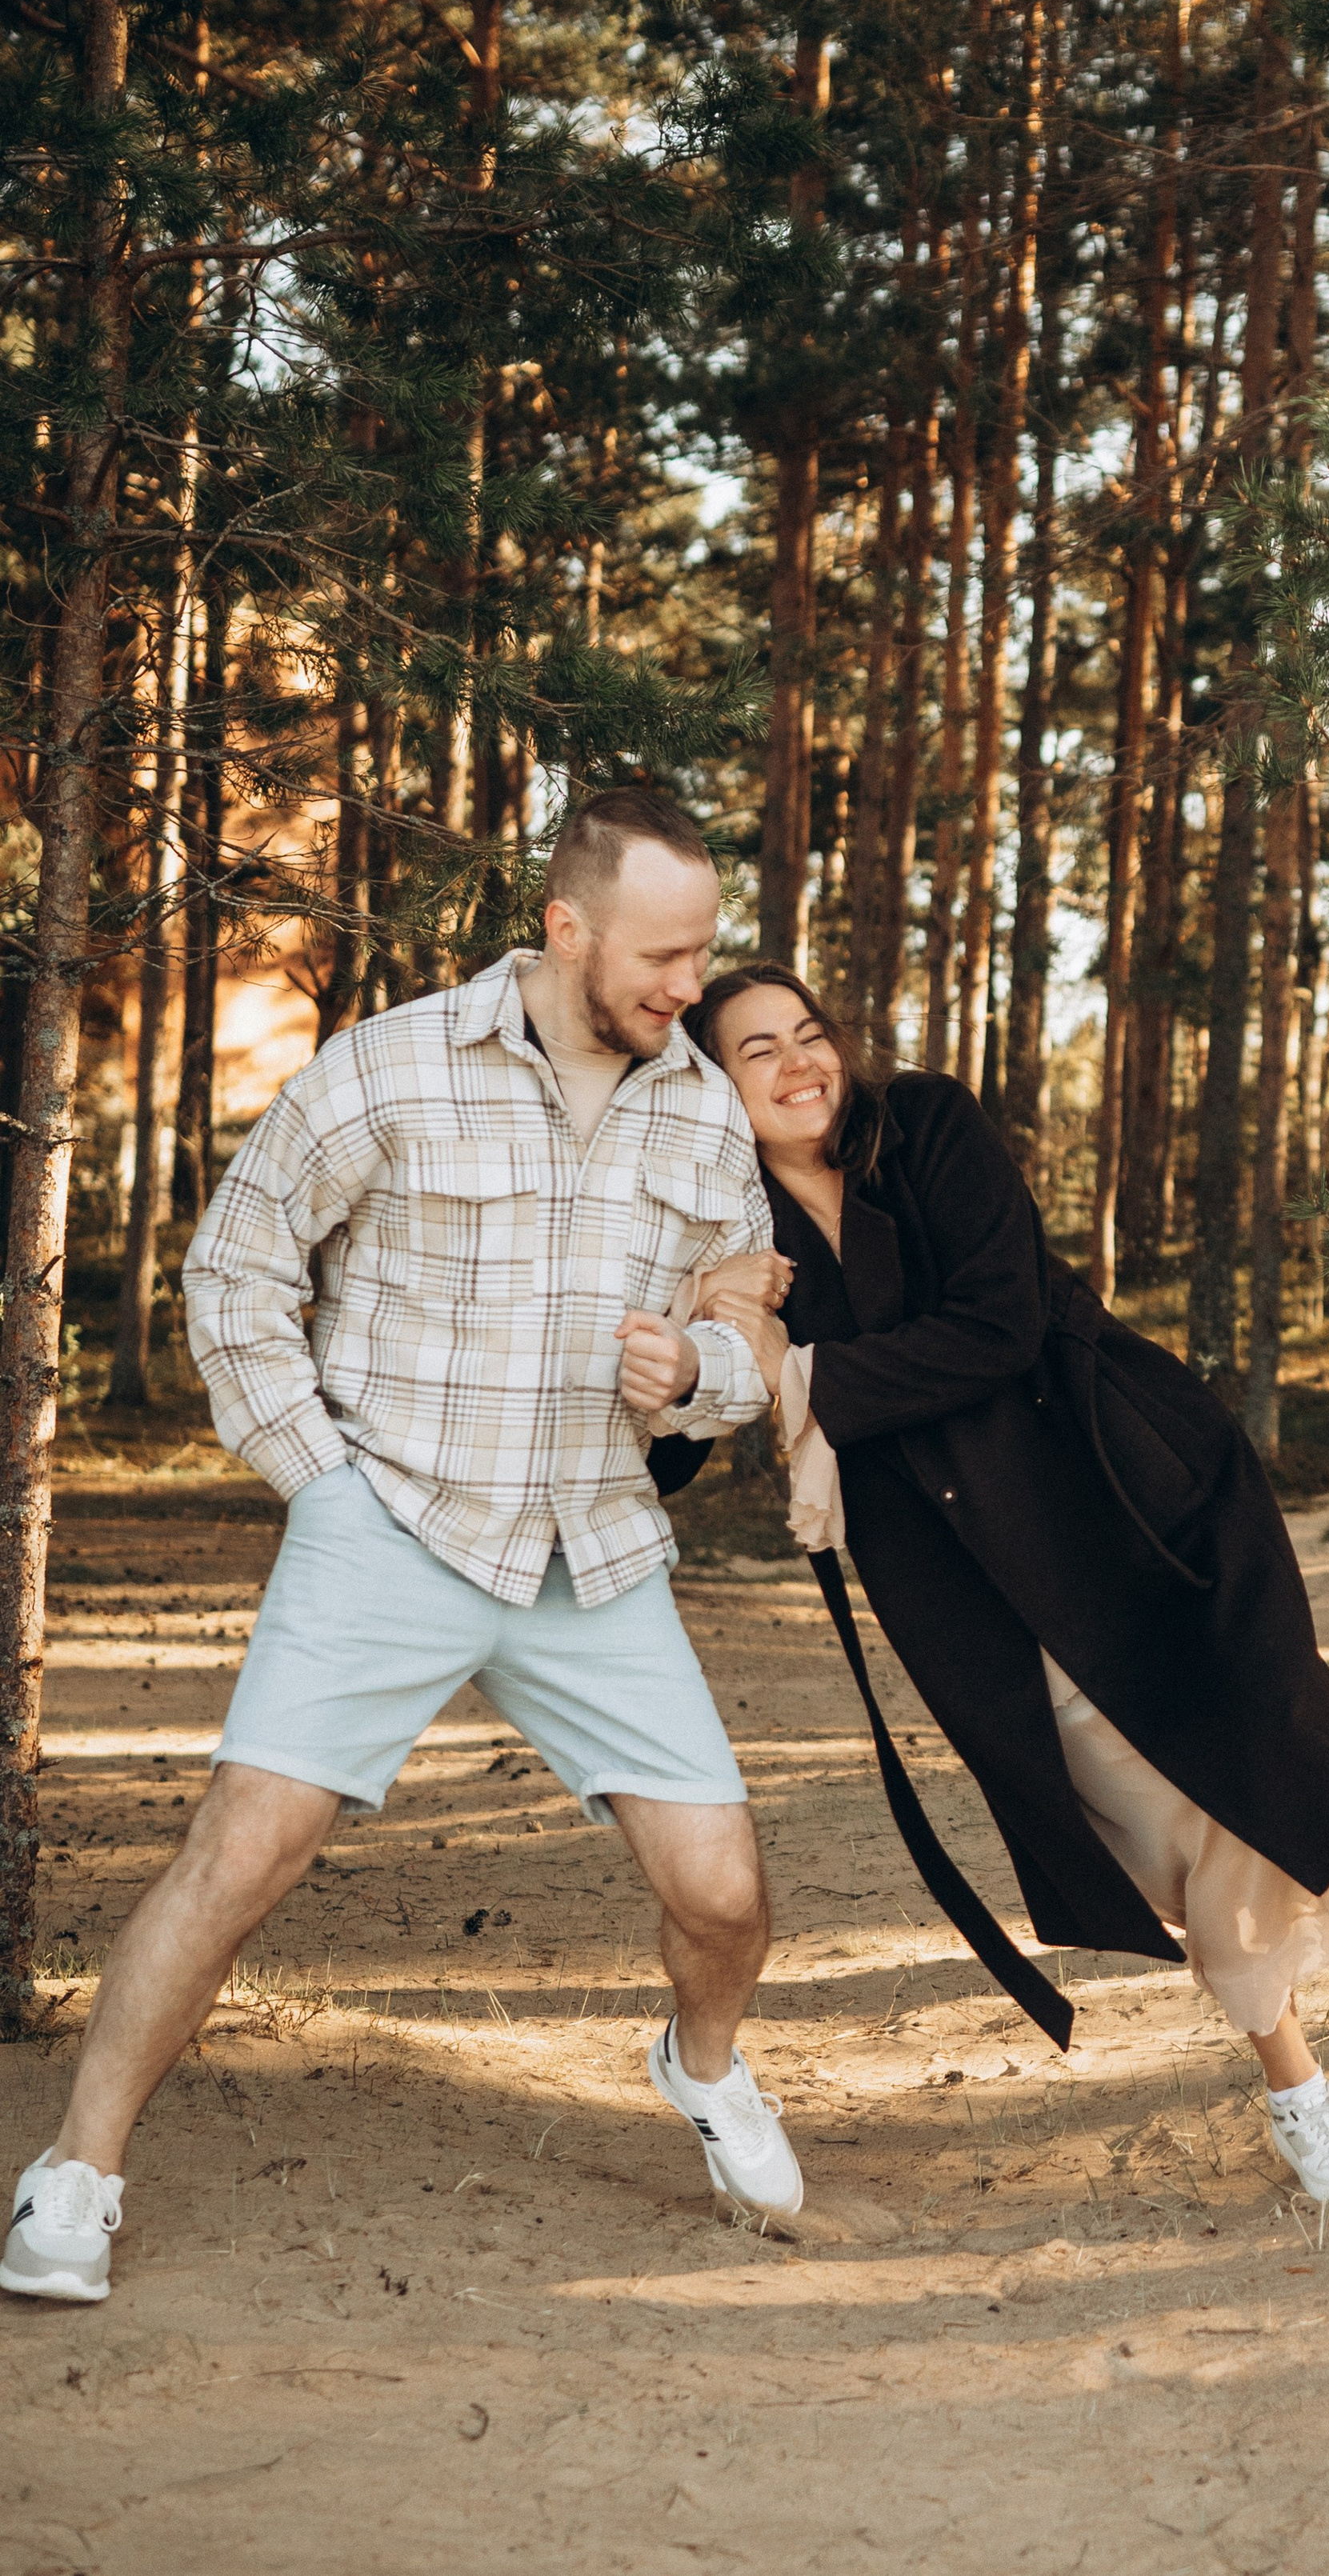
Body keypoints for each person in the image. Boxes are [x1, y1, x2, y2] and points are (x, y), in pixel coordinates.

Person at [4, 788, 806, 2309]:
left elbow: (744, 1336)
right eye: (662, 956)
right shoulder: (391, 1064)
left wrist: (695, 1371)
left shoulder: (702, 1108)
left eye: (702, 953)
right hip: (394, 1518)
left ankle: (703, 2066)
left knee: (722, 1895)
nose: (689, 986)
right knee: (243, 1853)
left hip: (592, 1547)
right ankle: (76, 2172)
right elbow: (237, 1266)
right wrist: (320, 1484)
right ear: (567, 928)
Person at [668, 964, 1329, 2214]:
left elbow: (998, 1322)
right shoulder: (727, 1227)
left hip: (1113, 1484)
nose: (797, 1062)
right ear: (712, 1084)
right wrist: (701, 1326)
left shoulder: (924, 1122)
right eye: (756, 1049)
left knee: (1240, 1720)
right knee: (1154, 1822)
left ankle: (1304, 2076)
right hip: (961, 1578)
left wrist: (803, 1373)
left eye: (809, 1031)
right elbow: (680, 1438)